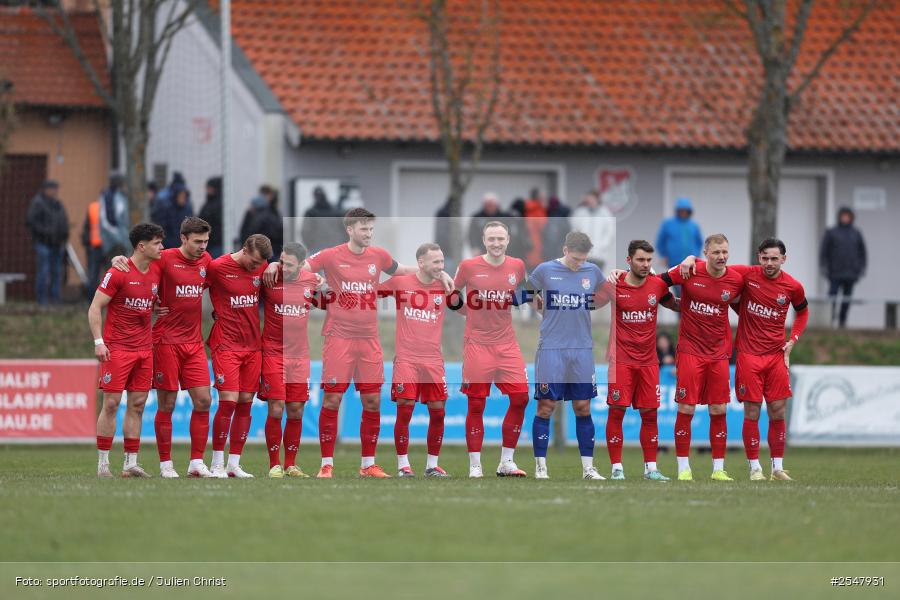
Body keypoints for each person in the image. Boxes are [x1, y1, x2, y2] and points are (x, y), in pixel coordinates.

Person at [299, 208, 453, 478]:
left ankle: (367, 464)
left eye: (371, 229)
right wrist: (315, 281)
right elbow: (302, 268)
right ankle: (326, 464)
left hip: (369, 340)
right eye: (363, 229)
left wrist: (438, 273)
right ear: (350, 229)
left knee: (372, 402)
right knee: (333, 399)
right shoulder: (330, 255)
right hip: (338, 337)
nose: (368, 234)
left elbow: (405, 270)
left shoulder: (378, 255)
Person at [683, 238, 808, 481]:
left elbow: (802, 312)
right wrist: (690, 259)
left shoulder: (793, 286)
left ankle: (777, 468)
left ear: (784, 259)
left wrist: (793, 339)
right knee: (752, 411)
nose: (769, 263)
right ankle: (754, 468)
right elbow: (715, 265)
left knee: (778, 410)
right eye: (765, 258)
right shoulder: (746, 275)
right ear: (758, 258)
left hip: (776, 356)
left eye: (774, 258)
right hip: (749, 355)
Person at [112, 217, 216, 478]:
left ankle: (196, 463)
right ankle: (166, 465)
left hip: (193, 343)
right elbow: (137, 266)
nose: (202, 246)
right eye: (197, 241)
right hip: (165, 341)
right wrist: (117, 259)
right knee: (166, 404)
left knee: (203, 400)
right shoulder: (164, 258)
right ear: (183, 238)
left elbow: (230, 272)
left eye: (205, 241)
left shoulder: (206, 262)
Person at [655, 234, 745, 481]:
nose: (721, 257)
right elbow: (657, 284)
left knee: (719, 409)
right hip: (690, 351)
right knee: (686, 407)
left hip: (718, 354)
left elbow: (759, 275)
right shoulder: (690, 269)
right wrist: (672, 303)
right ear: (705, 252)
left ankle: (718, 469)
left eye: (725, 252)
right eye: (716, 252)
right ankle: (684, 468)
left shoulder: (736, 279)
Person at [597, 240, 678, 481]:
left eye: (648, 260)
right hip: (620, 360)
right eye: (640, 259)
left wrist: (699, 306)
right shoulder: (614, 284)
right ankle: (616, 468)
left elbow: (674, 304)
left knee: (650, 414)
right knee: (617, 411)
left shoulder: (657, 285)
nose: (645, 264)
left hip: (648, 362)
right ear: (629, 260)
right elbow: (590, 303)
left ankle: (651, 468)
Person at [88, 222, 164, 478]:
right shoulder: (118, 271)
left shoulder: (156, 271)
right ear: (142, 246)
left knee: (138, 404)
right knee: (111, 404)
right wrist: (99, 341)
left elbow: (145, 300)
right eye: (157, 243)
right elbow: (95, 307)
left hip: (144, 349)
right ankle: (102, 466)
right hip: (117, 349)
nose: (161, 247)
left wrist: (154, 308)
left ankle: (130, 464)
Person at [527, 231, 605, 480]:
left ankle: (588, 469)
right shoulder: (544, 270)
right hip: (551, 348)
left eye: (582, 259)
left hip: (582, 349)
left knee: (582, 407)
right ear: (564, 250)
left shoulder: (592, 272)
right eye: (575, 259)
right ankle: (541, 467)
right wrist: (542, 310)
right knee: (546, 406)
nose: (578, 263)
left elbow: (607, 293)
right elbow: (527, 292)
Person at [455, 221, 530, 478]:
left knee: (521, 398)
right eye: (491, 239)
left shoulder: (517, 266)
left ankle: (506, 462)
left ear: (508, 239)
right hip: (477, 344)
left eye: (500, 239)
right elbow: (451, 295)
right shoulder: (468, 266)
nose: (496, 243)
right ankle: (475, 464)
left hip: (507, 343)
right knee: (476, 404)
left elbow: (522, 294)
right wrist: (469, 312)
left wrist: (531, 297)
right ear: (484, 240)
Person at [380, 243, 454, 478]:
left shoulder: (445, 286)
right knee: (405, 410)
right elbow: (370, 293)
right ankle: (403, 465)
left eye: (442, 262)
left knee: (438, 411)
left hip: (433, 360)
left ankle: (432, 465)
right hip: (407, 359)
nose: (440, 266)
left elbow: (465, 307)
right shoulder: (401, 283)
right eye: (436, 262)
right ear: (421, 262)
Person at [206, 234, 273, 478]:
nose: (257, 268)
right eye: (254, 262)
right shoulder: (217, 267)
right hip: (226, 344)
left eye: (261, 264)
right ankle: (216, 464)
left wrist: (274, 264)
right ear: (244, 250)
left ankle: (234, 464)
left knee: (246, 401)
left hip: (253, 345)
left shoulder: (264, 266)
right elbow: (192, 287)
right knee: (228, 401)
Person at [259, 242, 320, 478]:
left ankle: (290, 464)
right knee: (276, 407)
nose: (284, 266)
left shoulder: (312, 280)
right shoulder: (271, 276)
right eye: (281, 261)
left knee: (296, 409)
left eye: (289, 264)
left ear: (302, 265)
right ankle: (274, 464)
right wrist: (273, 264)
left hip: (300, 355)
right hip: (273, 352)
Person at [820, 207, 867, 328]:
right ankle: (829, 321)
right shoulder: (831, 232)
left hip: (851, 274)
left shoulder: (856, 234)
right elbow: (824, 252)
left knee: (847, 300)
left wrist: (860, 270)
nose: (845, 218)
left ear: (851, 217)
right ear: (840, 217)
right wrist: (824, 268)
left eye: (847, 216)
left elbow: (863, 253)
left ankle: (842, 322)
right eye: (843, 216)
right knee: (832, 298)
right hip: (834, 273)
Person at [26, 180, 69, 305]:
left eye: (57, 189)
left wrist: (64, 235)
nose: (56, 191)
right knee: (43, 273)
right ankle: (42, 300)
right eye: (53, 189)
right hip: (43, 243)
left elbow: (63, 221)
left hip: (57, 244)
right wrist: (45, 232)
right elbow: (31, 221)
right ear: (46, 189)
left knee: (56, 273)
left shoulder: (58, 204)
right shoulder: (38, 203)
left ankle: (55, 299)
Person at [570, 190, 615, 270]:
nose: (590, 201)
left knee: (595, 277)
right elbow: (574, 230)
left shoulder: (605, 214)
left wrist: (601, 246)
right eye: (588, 199)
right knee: (584, 278)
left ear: (597, 199)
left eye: (592, 199)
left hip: (599, 254)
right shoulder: (580, 213)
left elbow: (609, 233)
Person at [655, 197, 703, 269]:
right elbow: (660, 242)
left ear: (689, 211)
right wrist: (664, 255)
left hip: (690, 263)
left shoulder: (694, 226)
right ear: (677, 211)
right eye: (681, 210)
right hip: (673, 263)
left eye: (685, 210)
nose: (683, 213)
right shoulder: (668, 224)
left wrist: (696, 256)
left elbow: (699, 243)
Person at [301, 186, 344, 255]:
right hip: (331, 248)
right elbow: (344, 230)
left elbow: (305, 232)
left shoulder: (311, 212)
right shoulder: (336, 211)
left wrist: (310, 245)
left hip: (318, 248)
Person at [99, 175, 130, 262]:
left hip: (121, 242)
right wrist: (118, 238)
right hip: (113, 244)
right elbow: (105, 221)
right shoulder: (108, 197)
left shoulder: (120, 197)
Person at [81, 197, 104, 299]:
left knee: (93, 275)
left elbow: (87, 228)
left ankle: (92, 300)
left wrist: (87, 243)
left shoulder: (93, 207)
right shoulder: (115, 206)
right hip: (104, 246)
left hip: (94, 246)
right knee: (110, 276)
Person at [540, 196, 571, 263]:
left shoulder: (552, 215)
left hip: (553, 249)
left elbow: (548, 235)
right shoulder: (564, 215)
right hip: (559, 248)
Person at [199, 176, 223, 257]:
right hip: (207, 242)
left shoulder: (220, 205)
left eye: (210, 188)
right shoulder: (208, 203)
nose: (208, 190)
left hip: (216, 244)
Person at [523, 188, 547, 269]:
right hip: (537, 243)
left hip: (529, 242)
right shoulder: (538, 210)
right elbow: (543, 227)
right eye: (542, 196)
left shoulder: (527, 208)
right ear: (538, 197)